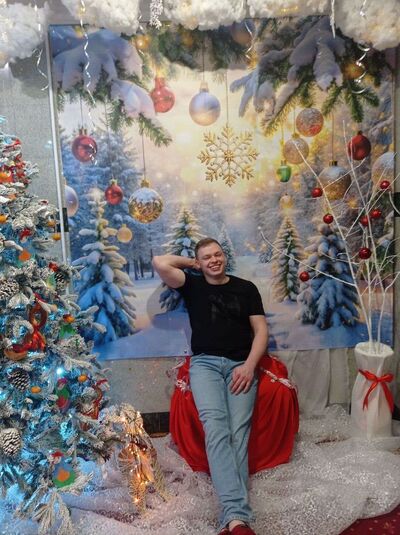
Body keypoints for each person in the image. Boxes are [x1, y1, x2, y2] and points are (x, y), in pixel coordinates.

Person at [153, 237, 268, 535]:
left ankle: (232, 520)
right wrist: (192, 264)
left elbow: (260, 331)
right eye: (206, 257)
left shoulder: (246, 288)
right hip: (205, 365)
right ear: (199, 262)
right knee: (216, 428)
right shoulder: (192, 284)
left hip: (241, 366)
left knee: (238, 433)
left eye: (217, 254)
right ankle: (239, 518)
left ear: (224, 256)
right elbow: (160, 262)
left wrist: (249, 366)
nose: (214, 260)